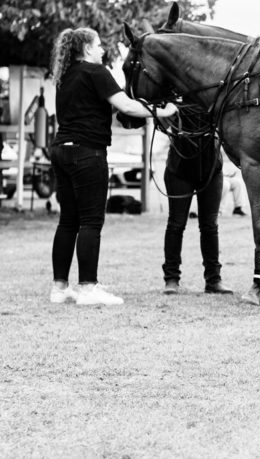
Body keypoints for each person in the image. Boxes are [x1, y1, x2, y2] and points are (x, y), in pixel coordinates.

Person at [47, 27, 178, 306]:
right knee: (91, 221)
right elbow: (127, 106)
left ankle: (60, 288)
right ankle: (87, 287)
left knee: (68, 220)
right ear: (85, 49)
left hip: (61, 150)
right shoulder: (96, 73)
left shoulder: (65, 76)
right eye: (98, 45)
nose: (103, 50)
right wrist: (163, 111)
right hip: (87, 153)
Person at [159, 107, 233, 295]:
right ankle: (172, 279)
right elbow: (160, 122)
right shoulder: (174, 95)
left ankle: (213, 280)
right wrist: (167, 112)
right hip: (180, 166)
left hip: (210, 167)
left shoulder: (214, 94)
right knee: (176, 224)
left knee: (210, 225)